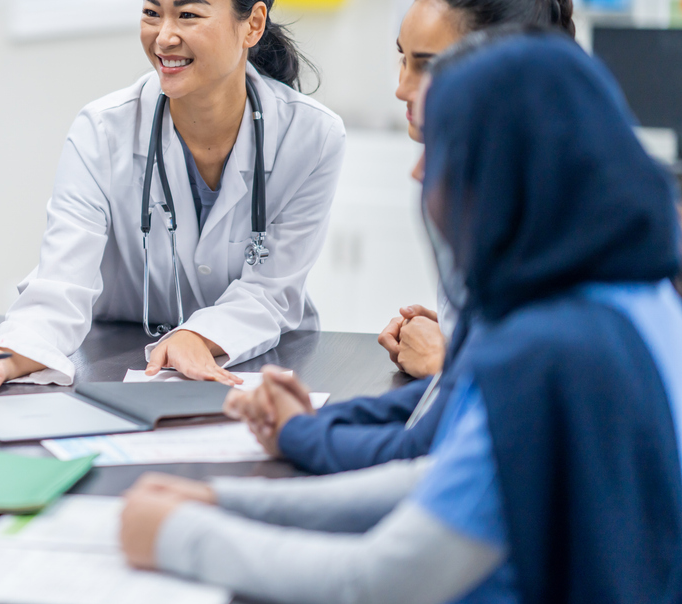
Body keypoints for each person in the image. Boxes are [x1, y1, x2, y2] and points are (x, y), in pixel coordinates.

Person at [119, 31, 682, 604]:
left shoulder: (546, 349)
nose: (418, 175)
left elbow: (380, 582)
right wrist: (225, 501)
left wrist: (176, 536)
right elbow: (442, 480)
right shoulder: (638, 294)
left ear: (504, 172)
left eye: (437, 149)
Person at [0, 0, 346, 396]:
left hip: (260, 365)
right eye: (152, 13)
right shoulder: (101, 131)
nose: (164, 36)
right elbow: (61, 283)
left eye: (188, 15)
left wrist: (199, 335)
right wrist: (6, 353)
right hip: (123, 361)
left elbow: (272, 289)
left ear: (252, 23)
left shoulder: (311, 136)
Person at [257, 0, 577, 475]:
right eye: (402, 59)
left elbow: (447, 443)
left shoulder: (550, 226)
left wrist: (453, 363)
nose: (402, 87)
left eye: (426, 65)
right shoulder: (509, 195)